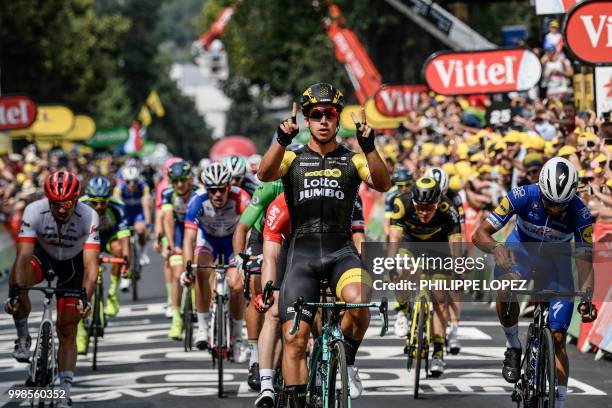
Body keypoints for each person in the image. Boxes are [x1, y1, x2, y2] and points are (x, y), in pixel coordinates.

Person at [258, 82, 391, 405]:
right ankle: (299, 399)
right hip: (302, 255)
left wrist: (369, 147)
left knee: (360, 302)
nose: (323, 120)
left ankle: (348, 356)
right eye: (316, 114)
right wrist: (280, 140)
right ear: (307, 120)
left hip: (339, 251)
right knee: (295, 339)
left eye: (329, 114)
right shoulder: (292, 158)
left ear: (337, 119)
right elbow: (264, 173)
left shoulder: (353, 160)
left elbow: (383, 183)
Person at [472, 157, 598, 408]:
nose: (554, 209)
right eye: (549, 202)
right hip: (520, 252)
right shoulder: (521, 195)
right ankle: (513, 345)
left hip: (556, 263)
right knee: (505, 288)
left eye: (560, 205)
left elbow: (585, 260)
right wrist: (496, 247)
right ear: (541, 189)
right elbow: (479, 233)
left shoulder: (580, 212)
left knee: (559, 337)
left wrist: (586, 298)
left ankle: (559, 400)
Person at [254, 191, 366, 407]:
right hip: (293, 252)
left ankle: (334, 353)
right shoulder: (282, 205)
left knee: (346, 302)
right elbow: (270, 256)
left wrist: (365, 268)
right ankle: (266, 384)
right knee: (276, 312)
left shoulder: (344, 196)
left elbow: (359, 236)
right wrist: (267, 290)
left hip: (336, 252)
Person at [5, 171, 100, 407]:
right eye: (56, 204)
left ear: (76, 199)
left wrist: (85, 298)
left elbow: (90, 266)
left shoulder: (89, 216)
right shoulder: (34, 211)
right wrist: (16, 292)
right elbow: (23, 256)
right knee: (19, 274)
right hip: (43, 257)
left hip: (73, 265)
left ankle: (64, 390)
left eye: (67, 203)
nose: (61, 209)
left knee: (67, 328)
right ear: (48, 199)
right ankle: (23, 336)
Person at [388, 176, 463, 376]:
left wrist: (457, 266)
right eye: (420, 207)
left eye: (429, 208)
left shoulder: (449, 208)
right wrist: (391, 262)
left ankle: (438, 351)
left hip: (439, 249)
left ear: (438, 203)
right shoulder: (401, 202)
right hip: (410, 245)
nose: (423, 213)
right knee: (401, 269)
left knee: (440, 297)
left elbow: (456, 240)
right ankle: (403, 311)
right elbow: (394, 236)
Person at [182, 163, 251, 362]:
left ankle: (238, 338)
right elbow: (189, 238)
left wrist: (247, 259)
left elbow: (251, 231)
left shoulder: (242, 198)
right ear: (206, 189)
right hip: (209, 241)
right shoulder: (197, 201)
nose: (218, 195)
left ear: (229, 187)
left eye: (222, 189)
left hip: (233, 242)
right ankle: (202, 327)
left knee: (237, 285)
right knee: (201, 273)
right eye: (213, 190)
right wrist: (188, 267)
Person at [232, 179, 284, 391]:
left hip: (291, 236)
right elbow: (242, 227)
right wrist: (239, 259)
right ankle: (255, 359)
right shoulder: (269, 188)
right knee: (257, 286)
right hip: (261, 236)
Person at [76, 176, 131, 353]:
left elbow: (125, 239)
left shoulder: (118, 206)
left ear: (109, 199)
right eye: (95, 202)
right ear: (88, 199)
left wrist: (126, 263)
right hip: (87, 239)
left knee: (118, 250)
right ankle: (81, 333)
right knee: (82, 281)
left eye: (103, 202)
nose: (99, 206)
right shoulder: (79, 206)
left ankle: (113, 294)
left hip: (108, 237)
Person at [425, 166, 465, 354]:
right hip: (424, 239)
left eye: (442, 193)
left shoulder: (454, 199)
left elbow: (459, 230)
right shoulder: (421, 192)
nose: (438, 197)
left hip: (446, 239)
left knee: (453, 286)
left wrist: (458, 259)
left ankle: (454, 331)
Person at [162, 161, 200, 340]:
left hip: (198, 230)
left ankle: (202, 313)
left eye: (182, 181)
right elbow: (168, 220)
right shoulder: (168, 194)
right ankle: (176, 318)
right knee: (178, 273)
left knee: (201, 271)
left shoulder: (199, 191)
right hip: (178, 232)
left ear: (189, 180)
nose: (179, 185)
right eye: (175, 180)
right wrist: (170, 245)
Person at [113, 166, 152, 290]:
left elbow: (146, 206)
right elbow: (116, 209)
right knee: (125, 243)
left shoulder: (143, 187)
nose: (132, 184)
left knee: (140, 230)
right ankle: (126, 275)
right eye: (129, 182)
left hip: (138, 211)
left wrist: (148, 222)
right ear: (124, 181)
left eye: (134, 181)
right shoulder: (119, 189)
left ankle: (143, 252)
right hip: (126, 213)